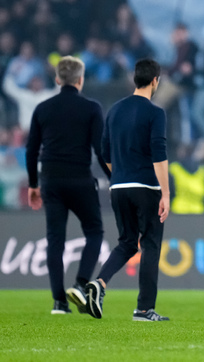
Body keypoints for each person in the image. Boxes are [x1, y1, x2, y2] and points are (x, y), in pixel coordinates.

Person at [85, 58, 170, 322]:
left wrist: (118, 175)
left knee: (126, 242)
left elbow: (104, 151)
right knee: (151, 244)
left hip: (118, 186)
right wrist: (165, 193)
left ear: (135, 79)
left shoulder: (115, 110)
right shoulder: (155, 113)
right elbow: (159, 154)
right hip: (146, 186)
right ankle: (144, 309)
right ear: (155, 80)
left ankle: (99, 282)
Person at [25, 56, 110, 314]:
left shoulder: (43, 108)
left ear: (57, 79)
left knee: (55, 240)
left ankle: (59, 302)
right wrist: (113, 176)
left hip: (50, 179)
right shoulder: (92, 108)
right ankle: (81, 284)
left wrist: (33, 184)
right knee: (94, 231)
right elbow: (99, 149)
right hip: (80, 179)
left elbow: (31, 150)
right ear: (81, 80)